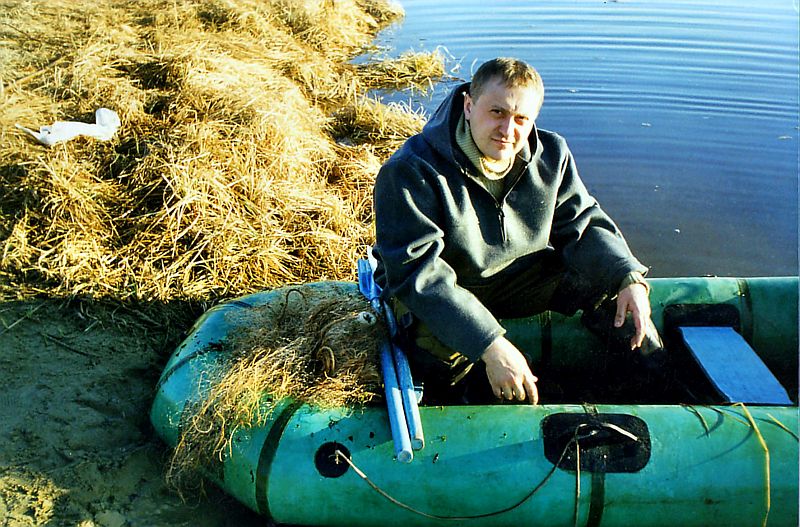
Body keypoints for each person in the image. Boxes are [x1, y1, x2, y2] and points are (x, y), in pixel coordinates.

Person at [372, 57, 662, 405]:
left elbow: (582, 223)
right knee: (436, 349)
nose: (508, 130)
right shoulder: (410, 170)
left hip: (516, 278)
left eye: (521, 118)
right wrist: (490, 343)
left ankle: (651, 390)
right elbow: (418, 274)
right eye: (497, 112)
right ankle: (461, 405)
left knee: (611, 287)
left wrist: (628, 277)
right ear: (469, 106)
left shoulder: (552, 154)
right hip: (444, 289)